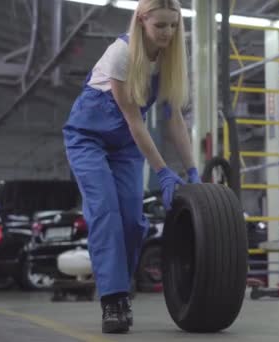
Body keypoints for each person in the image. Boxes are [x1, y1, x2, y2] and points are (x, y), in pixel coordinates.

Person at [62, 0, 200, 334]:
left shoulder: (170, 60)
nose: (167, 33)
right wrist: (164, 171)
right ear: (141, 21)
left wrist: (193, 169)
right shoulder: (121, 54)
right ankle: (113, 299)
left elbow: (174, 121)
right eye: (160, 26)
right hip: (88, 138)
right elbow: (136, 121)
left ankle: (119, 285)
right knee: (106, 211)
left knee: (133, 221)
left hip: (124, 145)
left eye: (173, 25)